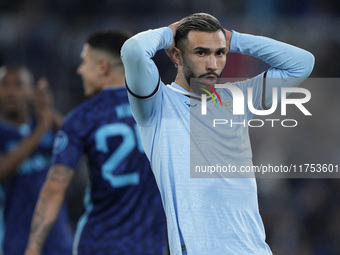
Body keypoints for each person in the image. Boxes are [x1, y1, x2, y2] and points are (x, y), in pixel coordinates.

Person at [121, 13, 315, 255]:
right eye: (201, 52)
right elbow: (133, 51)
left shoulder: (239, 98)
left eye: (219, 53)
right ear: (176, 55)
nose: (212, 63)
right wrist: (169, 32)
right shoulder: (157, 103)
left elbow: (302, 63)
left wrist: (235, 40)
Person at [25, 30, 167, 255]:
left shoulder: (83, 116)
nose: (79, 70)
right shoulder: (162, 109)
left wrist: (32, 248)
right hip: (148, 244)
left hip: (97, 244)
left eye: (84, 62)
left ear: (103, 67)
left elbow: (53, 191)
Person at [0, 66, 73, 254]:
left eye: (18, 85)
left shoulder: (48, 123)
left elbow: (76, 141)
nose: (11, 91)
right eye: (4, 85)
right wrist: (41, 129)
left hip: (57, 236)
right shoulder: (5, 134)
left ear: (31, 91)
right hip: (17, 238)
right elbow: (3, 170)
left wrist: (50, 111)